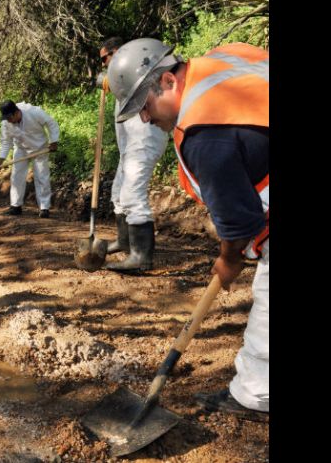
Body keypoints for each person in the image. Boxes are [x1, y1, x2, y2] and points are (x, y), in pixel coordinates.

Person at [107, 38, 268, 419]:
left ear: (166, 81)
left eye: (144, 107)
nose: (145, 119)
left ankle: (256, 394)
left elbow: (240, 221)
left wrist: (229, 261)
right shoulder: (224, 59)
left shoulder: (204, 133)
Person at [98, 37, 170, 271]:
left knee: (132, 194)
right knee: (118, 194)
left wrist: (111, 78)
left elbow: (141, 80)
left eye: (104, 59)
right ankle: (125, 241)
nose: (103, 64)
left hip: (146, 137)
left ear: (116, 52)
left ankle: (141, 258)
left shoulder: (137, 66)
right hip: (130, 146)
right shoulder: (124, 74)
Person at [0, 100, 59, 218]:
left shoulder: (34, 112)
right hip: (21, 149)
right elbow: (6, 141)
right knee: (16, 176)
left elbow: (51, 123)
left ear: (16, 113)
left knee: (41, 177)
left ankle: (44, 208)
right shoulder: (6, 123)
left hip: (40, 148)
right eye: (6, 118)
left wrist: (54, 141)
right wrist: (1, 159)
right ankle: (15, 206)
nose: (8, 121)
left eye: (9, 117)